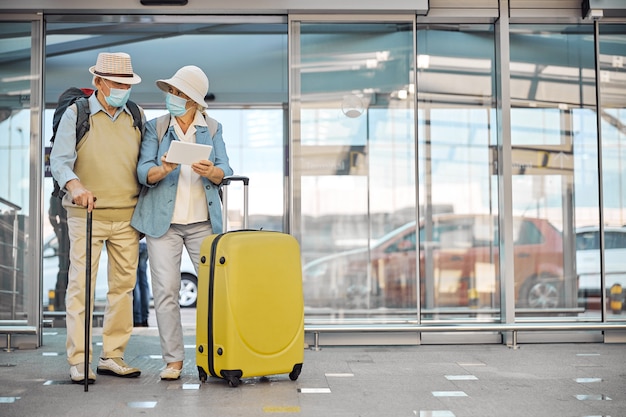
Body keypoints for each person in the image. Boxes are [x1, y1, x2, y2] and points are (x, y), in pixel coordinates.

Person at [131, 65, 233, 381]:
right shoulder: (156, 128)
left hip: (203, 223)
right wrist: (163, 169)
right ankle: (173, 360)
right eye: (170, 91)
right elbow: (142, 171)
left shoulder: (212, 128)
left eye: (177, 93)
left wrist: (211, 171)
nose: (171, 97)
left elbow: (226, 171)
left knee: (215, 292)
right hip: (164, 225)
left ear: (192, 99)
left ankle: (211, 355)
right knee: (165, 292)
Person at [50, 52, 145, 384]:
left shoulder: (136, 114)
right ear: (99, 82)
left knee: (123, 288)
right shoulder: (77, 113)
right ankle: (79, 360)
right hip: (85, 213)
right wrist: (75, 185)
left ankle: (112, 356)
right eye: (117, 84)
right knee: (81, 287)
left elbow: (142, 164)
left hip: (127, 216)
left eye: (127, 84)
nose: (123, 89)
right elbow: (60, 161)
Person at [133, 238, 150, 327]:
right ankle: (145, 318)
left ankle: (137, 318)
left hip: (135, 242)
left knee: (134, 281)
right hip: (146, 243)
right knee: (144, 281)